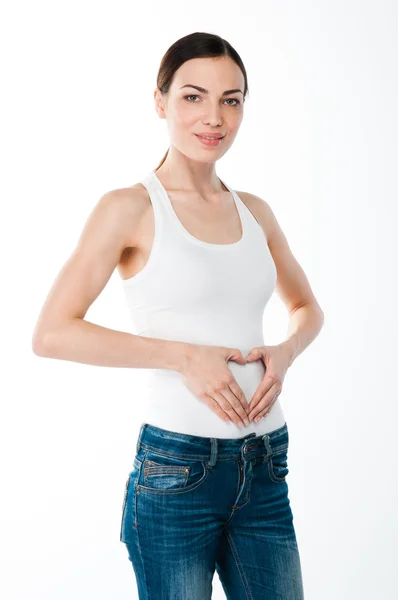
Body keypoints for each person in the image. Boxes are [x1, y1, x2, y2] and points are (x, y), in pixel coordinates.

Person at [32, 31, 324, 600]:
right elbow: (52, 332)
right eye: (193, 97)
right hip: (177, 469)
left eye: (231, 100)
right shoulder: (129, 208)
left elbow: (307, 308)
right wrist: (181, 356)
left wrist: (284, 354)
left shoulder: (255, 211)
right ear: (161, 101)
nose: (213, 117)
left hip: (265, 464)